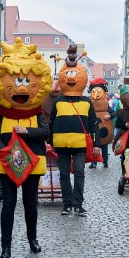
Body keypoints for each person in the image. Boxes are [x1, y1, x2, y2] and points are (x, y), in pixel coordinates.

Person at [0, 38, 52, 258]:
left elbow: (45, 132)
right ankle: (5, 247)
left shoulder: (36, 112)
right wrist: (3, 151)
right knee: (8, 205)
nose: (22, 87)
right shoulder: (1, 112)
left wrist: (26, 131)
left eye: (26, 81)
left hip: (32, 164)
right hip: (7, 165)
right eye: (17, 81)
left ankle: (32, 239)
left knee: (30, 204)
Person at [50, 45, 101, 217]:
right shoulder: (58, 101)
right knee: (64, 175)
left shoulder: (87, 102)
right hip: (61, 145)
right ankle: (67, 204)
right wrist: (50, 142)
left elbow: (94, 124)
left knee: (79, 173)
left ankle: (78, 204)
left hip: (80, 145)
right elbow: (51, 123)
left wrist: (97, 144)